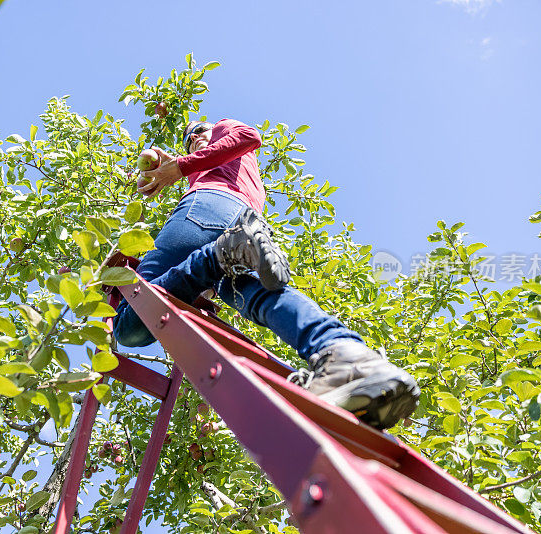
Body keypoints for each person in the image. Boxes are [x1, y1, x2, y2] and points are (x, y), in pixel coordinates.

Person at [113, 119, 419, 429]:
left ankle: (220, 255)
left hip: (208, 208)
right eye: (188, 141)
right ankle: (346, 356)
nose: (193, 140)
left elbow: (248, 135)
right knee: (259, 297)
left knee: (130, 322)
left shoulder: (223, 136)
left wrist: (181, 165)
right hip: (241, 221)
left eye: (198, 132)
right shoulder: (216, 170)